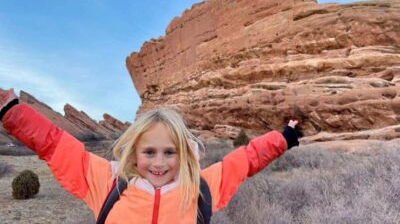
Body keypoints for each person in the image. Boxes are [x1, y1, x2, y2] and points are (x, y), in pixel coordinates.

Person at [0, 88, 300, 223]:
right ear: (134, 152)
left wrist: (283, 138)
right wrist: (14, 114)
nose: (158, 163)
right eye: (149, 152)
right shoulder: (108, 183)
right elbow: (55, 145)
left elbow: (245, 160)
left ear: (184, 154)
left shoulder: (200, 188)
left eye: (170, 152)